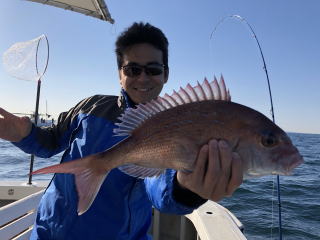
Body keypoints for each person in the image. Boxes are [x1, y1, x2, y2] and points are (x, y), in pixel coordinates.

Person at [0, 22, 243, 239]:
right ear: (119, 75)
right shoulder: (90, 107)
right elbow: (50, 142)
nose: (143, 78)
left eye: (153, 70)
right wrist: (23, 133)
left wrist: (185, 188)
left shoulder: (174, 127)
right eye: (133, 69)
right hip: (48, 232)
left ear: (166, 74)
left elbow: (159, 188)